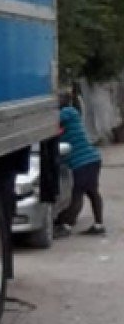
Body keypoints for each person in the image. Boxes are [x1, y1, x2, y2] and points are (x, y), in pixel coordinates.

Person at [54, 96, 105, 236]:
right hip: (91, 159)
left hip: (83, 161)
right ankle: (99, 225)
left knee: (77, 192)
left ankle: (67, 226)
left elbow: (51, 119)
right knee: (92, 192)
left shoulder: (68, 113)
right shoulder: (69, 118)